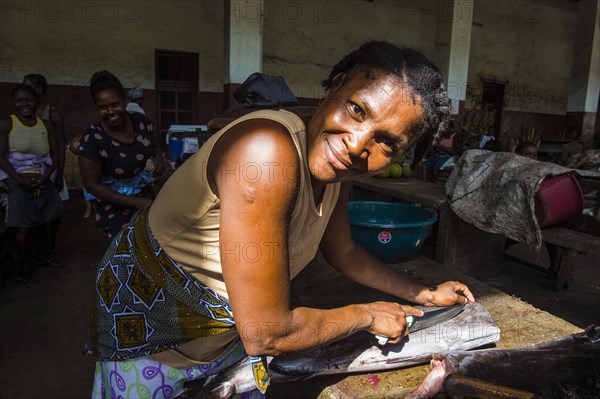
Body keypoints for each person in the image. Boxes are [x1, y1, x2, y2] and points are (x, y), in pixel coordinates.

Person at [86, 42, 475, 398]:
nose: (356, 145)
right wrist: (369, 314)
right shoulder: (264, 152)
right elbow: (265, 334)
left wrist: (422, 295)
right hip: (157, 341)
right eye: (356, 109)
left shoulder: (335, 169)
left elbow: (343, 251)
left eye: (387, 143)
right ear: (332, 87)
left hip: (222, 337)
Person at [77, 71, 164, 238]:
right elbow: (92, 185)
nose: (110, 111)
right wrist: (135, 202)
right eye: (103, 107)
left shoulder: (141, 122)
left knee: (154, 243)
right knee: (129, 248)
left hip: (145, 196)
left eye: (115, 104)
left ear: (124, 101)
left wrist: (159, 158)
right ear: (97, 108)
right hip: (113, 205)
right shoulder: (93, 138)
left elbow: (156, 146)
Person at [0, 84, 63, 283]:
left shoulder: (45, 125)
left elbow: (54, 154)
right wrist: (19, 180)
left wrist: (46, 178)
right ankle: (24, 266)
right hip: (17, 179)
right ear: (14, 103)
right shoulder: (7, 125)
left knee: (54, 214)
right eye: (19, 100)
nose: (23, 104)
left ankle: (43, 255)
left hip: (41, 178)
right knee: (24, 226)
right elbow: (1, 157)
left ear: (36, 102)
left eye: (28, 99)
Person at [23, 73, 67, 266]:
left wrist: (60, 175)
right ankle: (39, 248)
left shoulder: (52, 114)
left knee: (54, 210)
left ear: (40, 90)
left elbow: (60, 146)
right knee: (36, 210)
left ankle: (50, 245)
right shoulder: (22, 114)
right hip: (31, 168)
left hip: (51, 168)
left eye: (29, 87)